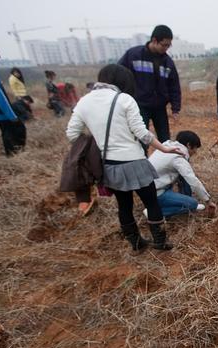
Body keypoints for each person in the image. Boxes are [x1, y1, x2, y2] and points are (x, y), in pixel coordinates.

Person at [66, 64, 183, 251]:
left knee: (124, 205)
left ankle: (136, 243)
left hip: (109, 164)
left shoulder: (84, 101)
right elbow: (141, 132)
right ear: (122, 81)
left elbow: (72, 134)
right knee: (151, 201)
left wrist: (100, 142)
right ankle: (160, 241)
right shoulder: (124, 99)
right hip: (134, 161)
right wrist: (164, 148)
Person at [118, 25, 181, 142]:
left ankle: (165, 159)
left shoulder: (167, 62)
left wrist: (175, 107)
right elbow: (118, 75)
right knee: (141, 138)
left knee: (165, 139)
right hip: (139, 105)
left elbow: (174, 85)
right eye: (164, 45)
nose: (166, 48)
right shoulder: (133, 55)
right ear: (154, 40)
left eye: (169, 45)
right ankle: (143, 159)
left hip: (159, 106)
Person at [148, 130, 217, 218]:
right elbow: (193, 181)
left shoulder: (167, 145)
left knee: (184, 176)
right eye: (195, 147)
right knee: (192, 204)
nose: (195, 151)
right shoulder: (178, 157)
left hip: (148, 189)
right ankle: (155, 212)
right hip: (157, 193)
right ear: (188, 145)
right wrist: (208, 201)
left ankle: (184, 200)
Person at [0, 66, 27, 157]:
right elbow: (1, 99)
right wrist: (11, 115)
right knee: (16, 130)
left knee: (6, 132)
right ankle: (15, 152)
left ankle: (11, 153)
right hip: (3, 113)